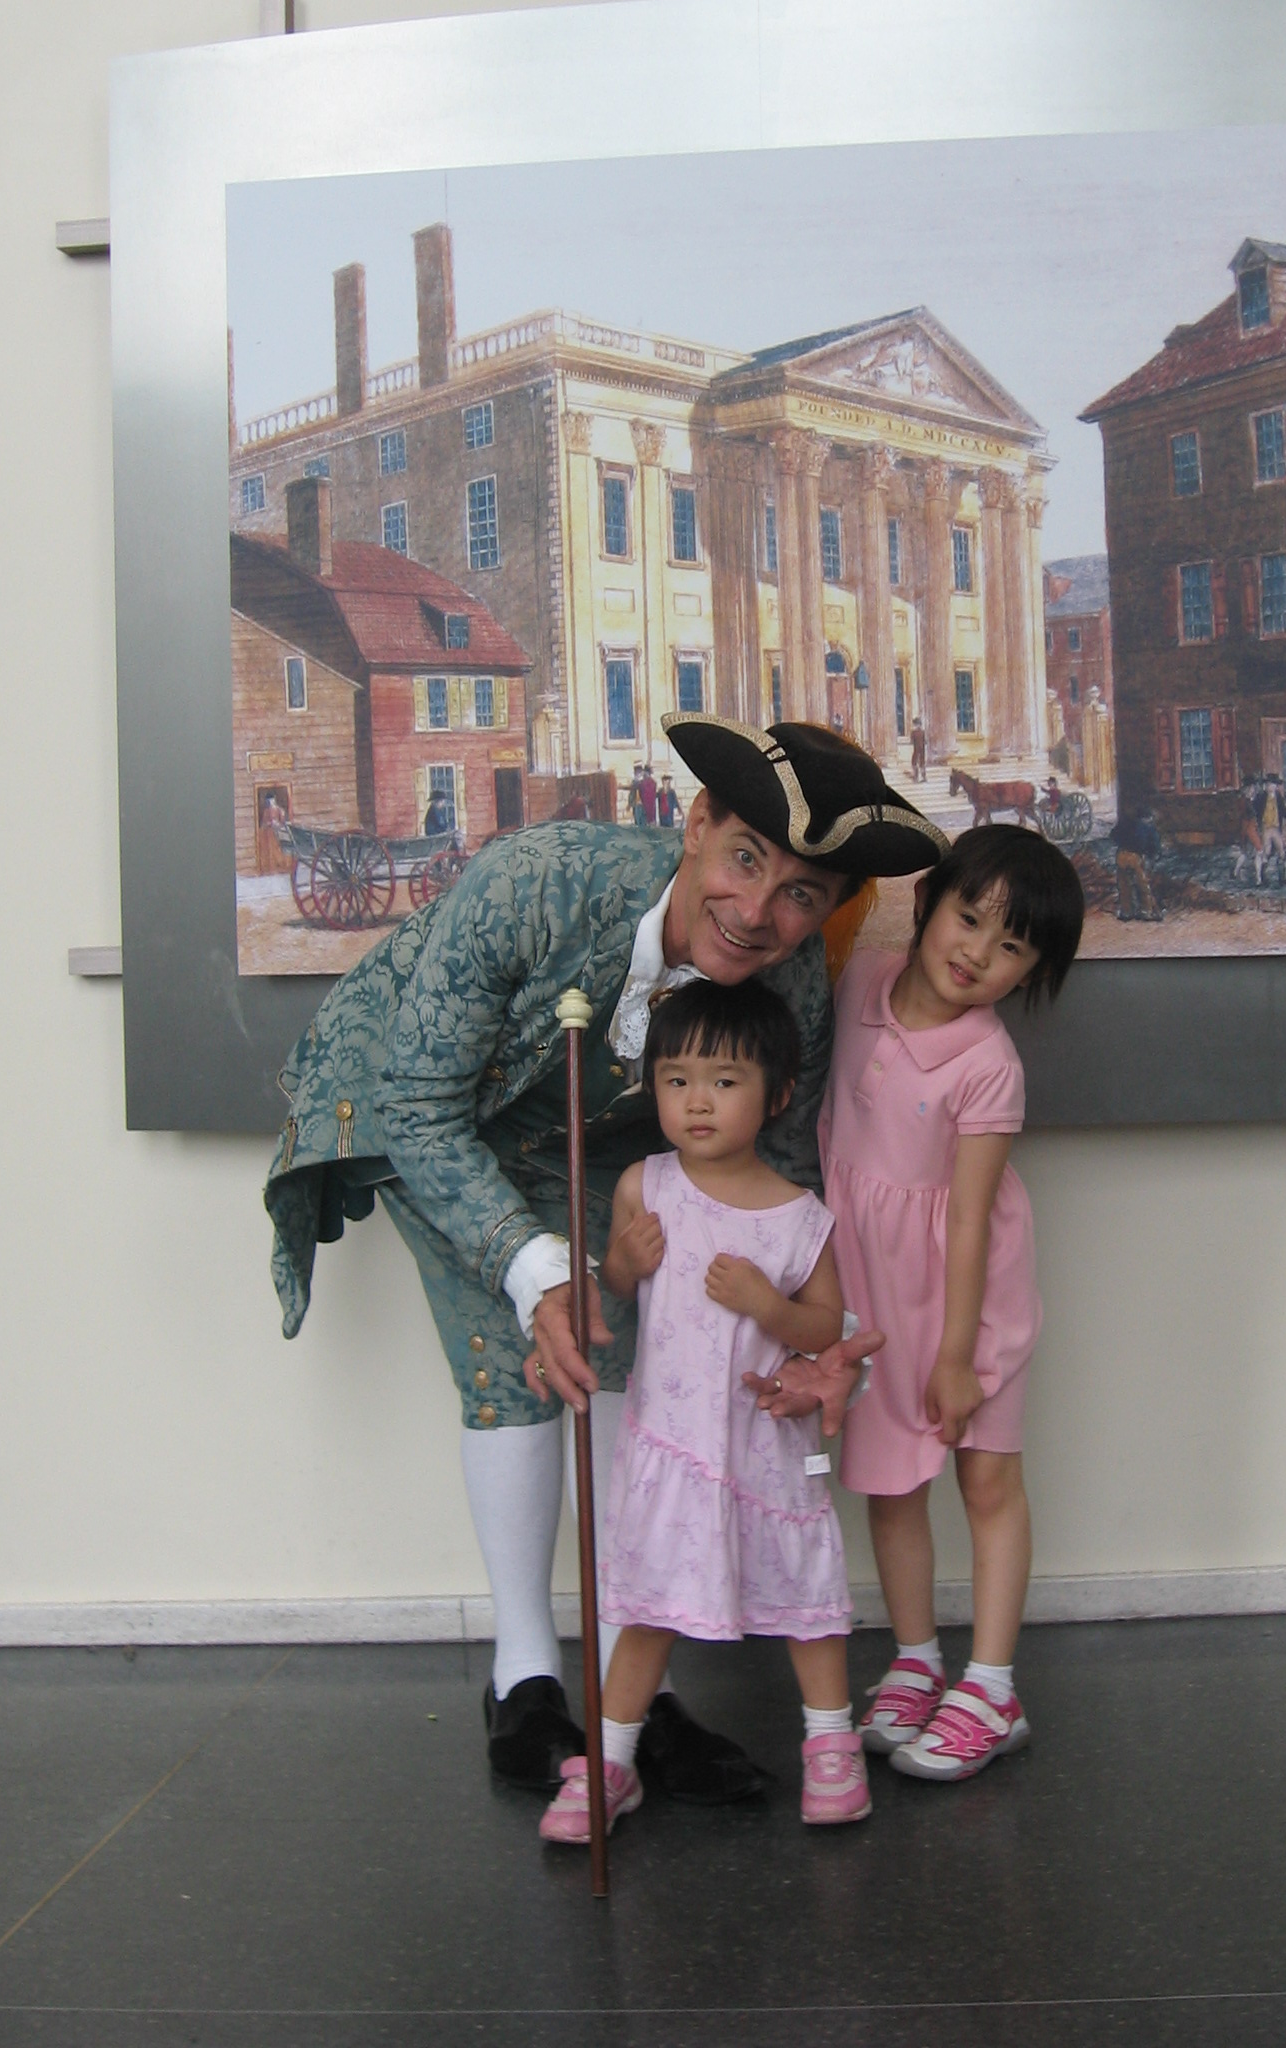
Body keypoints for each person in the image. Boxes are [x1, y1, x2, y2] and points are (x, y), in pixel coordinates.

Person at [263, 717, 944, 1802]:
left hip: (612, 1150)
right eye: (745, 860)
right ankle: (526, 1678)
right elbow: (420, 1104)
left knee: (646, 1365)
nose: (757, 912)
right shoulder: (534, 883)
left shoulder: (792, 991)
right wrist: (537, 1271)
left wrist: (802, 1338)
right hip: (446, 1119)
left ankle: (637, 1695)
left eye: (802, 895)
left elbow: (771, 1183)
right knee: (516, 1363)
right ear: (698, 822)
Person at [539, 980, 866, 1843]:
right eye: (676, 1079)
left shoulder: (800, 1219)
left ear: (777, 1094)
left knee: (804, 1602)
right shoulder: (645, 1187)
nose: (696, 1101)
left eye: (724, 1082)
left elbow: (825, 1327)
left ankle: (832, 1747)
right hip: (673, 1444)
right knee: (646, 1608)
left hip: (765, 1446)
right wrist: (621, 1261)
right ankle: (612, 1761)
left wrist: (768, 1306)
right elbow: (616, 1291)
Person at [819, 826, 1084, 1781]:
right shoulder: (861, 982)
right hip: (873, 1293)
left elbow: (968, 1219)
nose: (976, 953)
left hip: (971, 1300)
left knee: (985, 1481)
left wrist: (958, 1355)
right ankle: (916, 1661)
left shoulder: (988, 1064)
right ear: (928, 901)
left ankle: (993, 1687)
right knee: (891, 1482)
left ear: (1032, 972)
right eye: (968, 919)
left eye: (1010, 947)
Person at [1110, 807, 1163, 921]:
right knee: (1143, 886)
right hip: (1136, 857)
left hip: (1121, 855)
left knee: (1124, 885)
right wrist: (1152, 857)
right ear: (1148, 818)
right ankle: (1146, 912)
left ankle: (1126, 912)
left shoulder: (1126, 824)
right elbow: (1154, 846)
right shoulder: (1149, 828)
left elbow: (1113, 835)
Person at [1254, 772, 1286, 884]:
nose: (1271, 787)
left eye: (1273, 785)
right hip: (1266, 827)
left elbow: (1283, 811)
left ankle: (1282, 877)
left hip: (1276, 827)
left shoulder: (1278, 797)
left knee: (1281, 851)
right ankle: (1263, 876)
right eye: (1269, 785)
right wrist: (1257, 824)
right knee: (1266, 851)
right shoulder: (1261, 797)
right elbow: (1255, 811)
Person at [909, 715, 928, 784]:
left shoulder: (913, 732)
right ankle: (924, 777)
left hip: (916, 750)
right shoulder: (922, 732)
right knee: (922, 763)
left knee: (914, 763)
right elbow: (925, 741)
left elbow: (911, 741)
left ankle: (916, 778)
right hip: (922, 750)